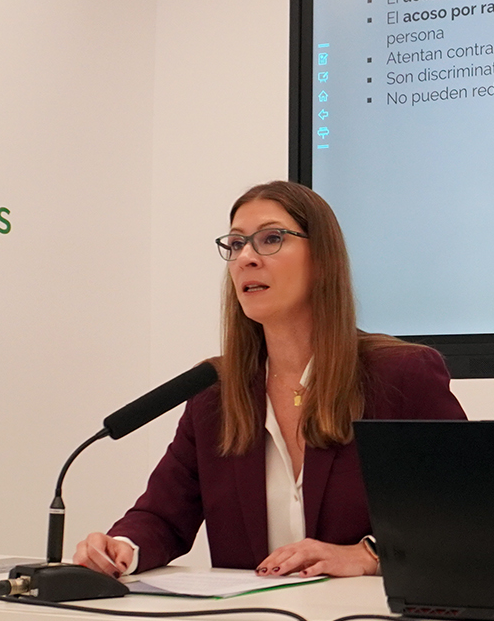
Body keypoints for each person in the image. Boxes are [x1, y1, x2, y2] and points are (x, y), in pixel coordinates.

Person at [72, 181, 466, 579]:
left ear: (323, 260)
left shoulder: (402, 375)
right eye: (236, 244)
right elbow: (162, 517)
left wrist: (369, 555)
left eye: (271, 239)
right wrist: (121, 547)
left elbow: (463, 511)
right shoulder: (215, 392)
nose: (246, 258)